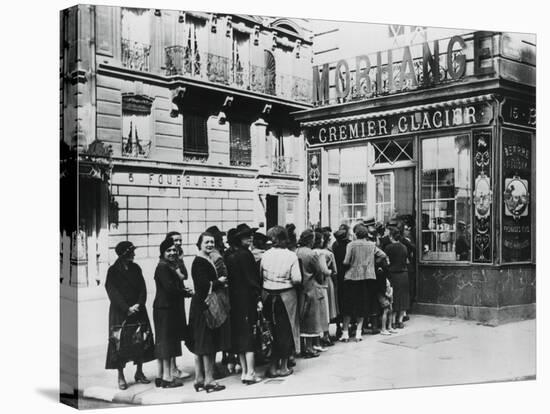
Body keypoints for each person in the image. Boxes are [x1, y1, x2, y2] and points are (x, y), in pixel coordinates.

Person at [105, 241, 154, 390]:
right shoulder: (113, 271)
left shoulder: (136, 268)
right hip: (121, 312)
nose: (134, 254)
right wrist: (127, 308)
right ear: (124, 254)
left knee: (141, 340)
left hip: (138, 310)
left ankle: (139, 372)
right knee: (120, 342)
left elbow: (142, 288)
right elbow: (112, 291)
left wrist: (139, 304)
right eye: (131, 252)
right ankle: (121, 376)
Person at [188, 232, 231, 393]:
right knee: (208, 344)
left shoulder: (204, 259)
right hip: (205, 306)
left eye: (212, 242)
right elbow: (202, 285)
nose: (210, 245)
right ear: (199, 244)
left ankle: (199, 378)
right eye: (206, 242)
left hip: (200, 305)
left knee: (201, 343)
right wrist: (218, 282)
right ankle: (209, 380)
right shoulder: (200, 261)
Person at [260, 226, 302, 377]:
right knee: (285, 330)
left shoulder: (265, 255)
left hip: (268, 295)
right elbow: (297, 279)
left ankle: (272, 366)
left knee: (270, 331)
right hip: (286, 296)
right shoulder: (291, 256)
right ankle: (283, 367)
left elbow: (260, 275)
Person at [224, 223, 263, 385]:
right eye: (247, 236)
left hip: (234, 300)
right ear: (239, 239)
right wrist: (258, 298)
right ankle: (251, 372)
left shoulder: (230, 255)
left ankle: (245, 371)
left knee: (240, 336)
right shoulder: (245, 255)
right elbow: (251, 280)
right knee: (250, 336)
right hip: (246, 300)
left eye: (251, 235)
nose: (250, 238)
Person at [153, 238, 191, 388]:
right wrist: (185, 293)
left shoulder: (169, 265)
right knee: (167, 343)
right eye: (168, 250)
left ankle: (161, 376)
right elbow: (170, 289)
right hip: (165, 309)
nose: (172, 253)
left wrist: (182, 291)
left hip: (167, 308)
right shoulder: (163, 267)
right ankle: (167, 378)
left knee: (164, 342)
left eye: (174, 250)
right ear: (162, 252)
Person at [340, 225, 387, 342]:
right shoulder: (371, 245)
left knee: (348, 306)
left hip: (351, 277)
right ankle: (358, 334)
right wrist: (371, 263)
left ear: (356, 233)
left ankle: (345, 334)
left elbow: (346, 261)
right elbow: (383, 255)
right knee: (362, 305)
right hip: (366, 278)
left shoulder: (351, 245)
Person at [204, 225, 234, 379]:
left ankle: (220, 361)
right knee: (219, 329)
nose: (222, 241)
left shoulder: (214, 255)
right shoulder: (217, 256)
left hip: (216, 296)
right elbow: (223, 277)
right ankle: (216, 366)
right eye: (220, 238)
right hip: (219, 297)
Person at [164, 231, 192, 381]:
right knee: (170, 335)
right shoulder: (167, 259)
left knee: (176, 334)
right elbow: (179, 276)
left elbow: (185, 275)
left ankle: (174, 368)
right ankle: (171, 369)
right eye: (176, 240)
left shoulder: (178, 256)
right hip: (172, 298)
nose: (179, 243)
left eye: (180, 240)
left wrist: (180, 261)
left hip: (178, 298)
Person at [296, 230, 329, 357]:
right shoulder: (311, 254)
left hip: (299, 288)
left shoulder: (297, 251)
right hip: (311, 287)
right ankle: (309, 347)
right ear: (311, 240)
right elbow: (319, 272)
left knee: (301, 318)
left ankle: (302, 346)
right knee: (311, 319)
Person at [314, 229, 338, 348]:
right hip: (326, 281)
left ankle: (316, 336)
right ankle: (326, 334)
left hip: (314, 282)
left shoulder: (312, 252)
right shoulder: (328, 253)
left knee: (318, 310)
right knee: (327, 309)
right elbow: (334, 271)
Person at [384, 227, 410, 329]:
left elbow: (386, 262)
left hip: (393, 274)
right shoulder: (404, 247)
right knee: (403, 297)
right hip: (404, 274)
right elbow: (406, 260)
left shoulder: (388, 248)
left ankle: (393, 321)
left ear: (391, 236)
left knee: (393, 298)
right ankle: (400, 321)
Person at [331, 227, 350, 339]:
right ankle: (346, 325)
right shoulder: (349, 245)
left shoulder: (335, 246)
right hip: (347, 275)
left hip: (338, 276)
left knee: (339, 301)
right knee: (347, 301)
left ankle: (339, 325)